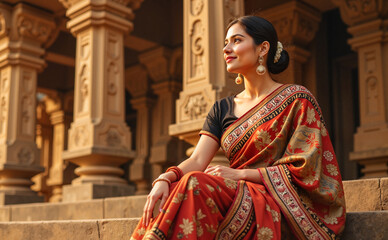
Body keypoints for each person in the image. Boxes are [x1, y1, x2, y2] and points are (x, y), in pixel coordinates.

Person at [130, 15, 346, 240]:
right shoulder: (222, 108)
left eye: (236, 40)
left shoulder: (297, 100)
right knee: (179, 185)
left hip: (277, 200)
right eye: (226, 42)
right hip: (234, 195)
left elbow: (308, 168)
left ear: (263, 48)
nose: (227, 49)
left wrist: (240, 173)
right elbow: (196, 161)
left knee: (195, 183)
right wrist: (165, 179)